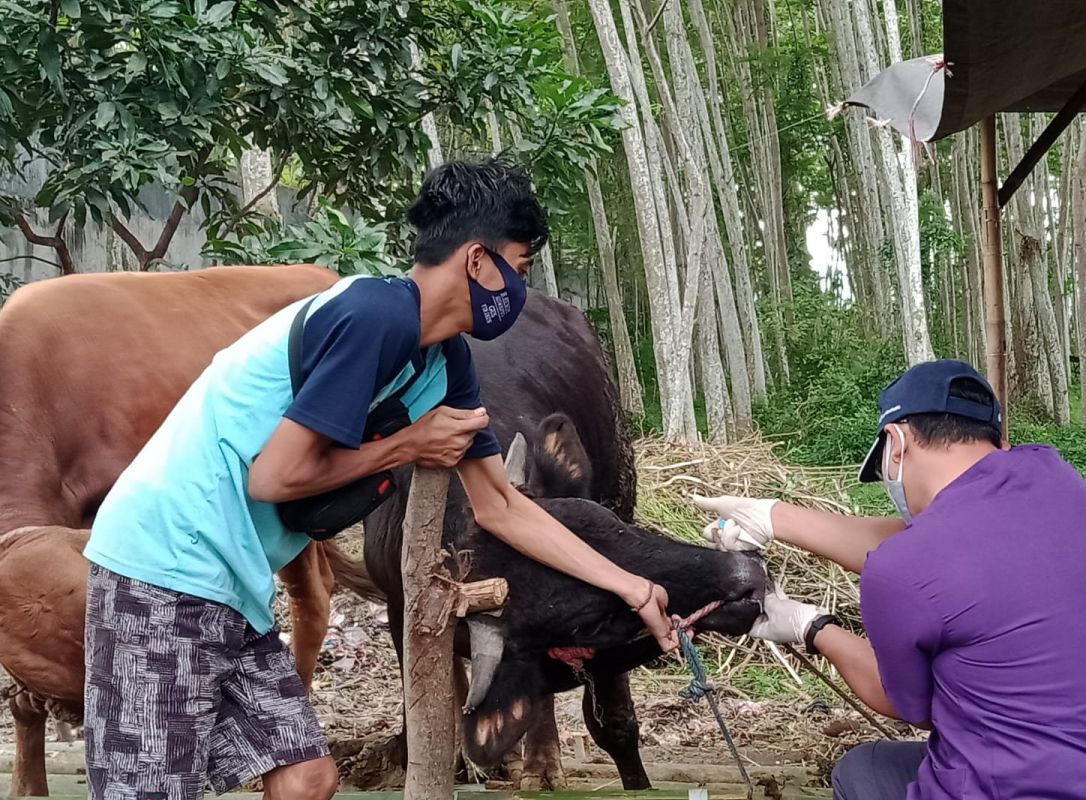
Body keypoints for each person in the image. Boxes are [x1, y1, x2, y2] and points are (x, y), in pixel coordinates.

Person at [82, 158, 677, 800]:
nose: (520, 293)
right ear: (478, 262)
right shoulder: (372, 314)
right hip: (161, 565)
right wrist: (408, 444)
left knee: (307, 777)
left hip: (230, 581)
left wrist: (631, 585)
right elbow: (274, 477)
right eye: (519, 270)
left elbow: (501, 505)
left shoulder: (443, 360)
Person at [695, 359, 1086, 799]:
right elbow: (939, 547)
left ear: (896, 443)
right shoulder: (1058, 481)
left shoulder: (901, 571)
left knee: (863, 771)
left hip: (1019, 788)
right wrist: (773, 517)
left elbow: (907, 707)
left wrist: (810, 625)